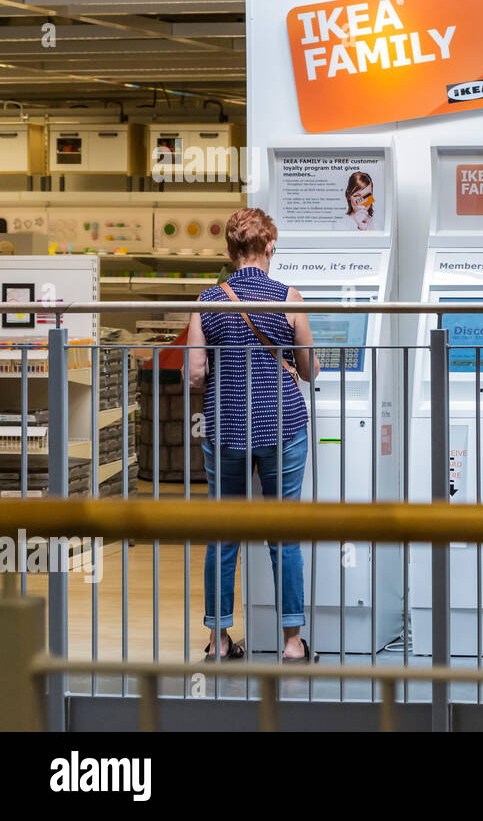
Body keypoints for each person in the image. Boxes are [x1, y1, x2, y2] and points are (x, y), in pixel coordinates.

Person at [186, 208, 321, 663]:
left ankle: (219, 641)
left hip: (225, 428)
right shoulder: (289, 298)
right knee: (284, 533)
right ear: (269, 248)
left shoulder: (208, 301)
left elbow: (194, 376)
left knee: (223, 533)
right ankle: (291, 643)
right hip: (283, 426)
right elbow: (308, 369)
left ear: (229, 251)